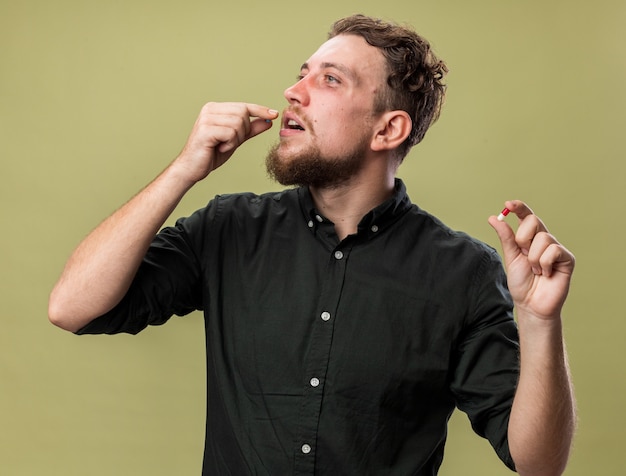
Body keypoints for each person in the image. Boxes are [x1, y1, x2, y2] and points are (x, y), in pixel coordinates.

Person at [48, 14, 576, 476]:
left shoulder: (465, 273)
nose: (294, 92)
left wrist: (539, 323)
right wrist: (184, 171)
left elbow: (539, 462)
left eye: (329, 79)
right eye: (301, 74)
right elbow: (71, 307)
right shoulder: (229, 228)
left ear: (388, 129)